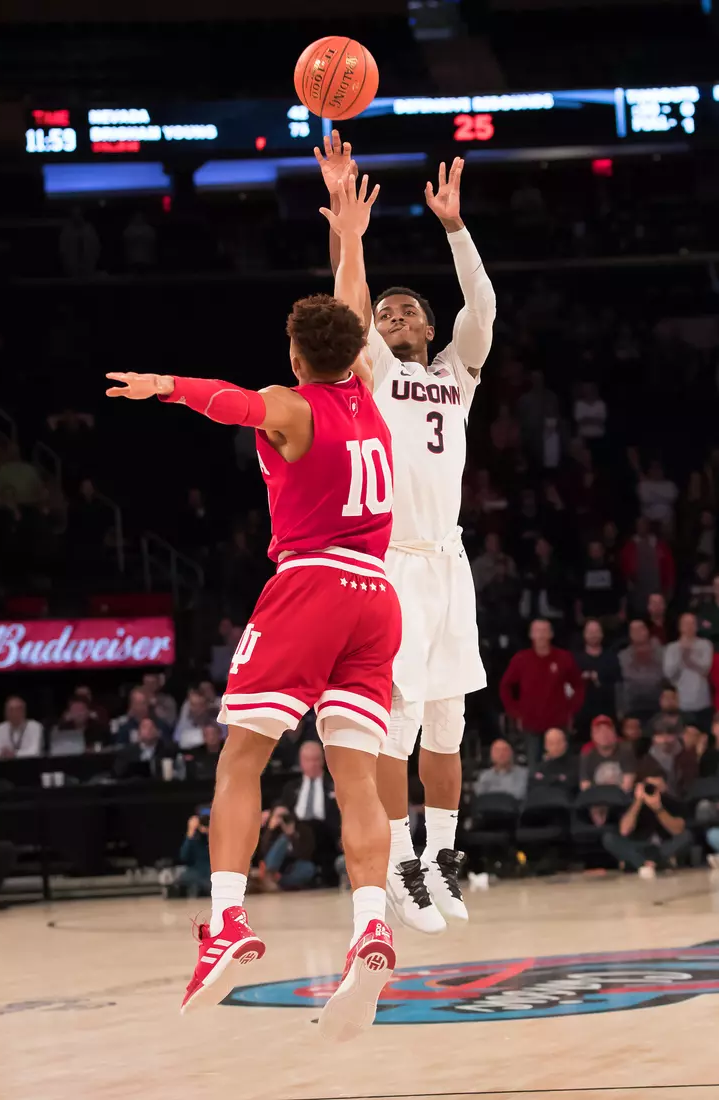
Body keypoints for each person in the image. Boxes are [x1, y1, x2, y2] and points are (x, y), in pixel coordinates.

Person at [106, 172, 400, 1040]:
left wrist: (161, 383)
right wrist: (349, 235)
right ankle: (370, 927)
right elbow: (349, 307)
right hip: (377, 600)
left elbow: (225, 402)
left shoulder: (291, 406)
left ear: (295, 356)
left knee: (240, 759)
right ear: (351, 355)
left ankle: (227, 922)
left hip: (309, 584)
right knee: (357, 778)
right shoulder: (364, 393)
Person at [317, 135, 495, 934]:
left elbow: (481, 309)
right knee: (399, 721)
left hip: (449, 560)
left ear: (426, 326)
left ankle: (442, 858)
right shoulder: (376, 375)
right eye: (384, 313)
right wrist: (348, 240)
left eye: (405, 310)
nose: (392, 316)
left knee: (450, 721)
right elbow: (346, 312)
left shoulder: (455, 374)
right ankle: (394, 861)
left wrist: (454, 229)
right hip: (392, 562)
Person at [499, 619, 585, 770]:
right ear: (531, 635)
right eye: (537, 631)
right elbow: (505, 687)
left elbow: (578, 685)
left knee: (561, 765)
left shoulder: (564, 658)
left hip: (558, 723)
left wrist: (570, 711)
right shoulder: (521, 659)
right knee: (534, 766)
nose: (541, 635)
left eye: (544, 631)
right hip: (531, 724)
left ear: (551, 634)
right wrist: (515, 713)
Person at [602, 772, 692, 879]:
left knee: (687, 835)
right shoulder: (630, 802)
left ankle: (640, 864)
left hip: (662, 847)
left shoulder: (672, 802)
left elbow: (678, 830)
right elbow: (624, 831)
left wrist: (658, 808)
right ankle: (649, 863)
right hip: (640, 846)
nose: (651, 790)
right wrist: (638, 802)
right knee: (608, 838)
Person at [280, 739, 341, 882]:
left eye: (316, 760)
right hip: (296, 838)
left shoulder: (334, 784)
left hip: (326, 839)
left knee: (306, 868)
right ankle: (271, 873)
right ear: (301, 762)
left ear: (323, 760)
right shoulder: (291, 787)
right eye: (308, 760)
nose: (312, 764)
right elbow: (283, 809)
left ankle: (271, 876)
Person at [663, 612, 713, 728]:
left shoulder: (705, 645)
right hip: (682, 704)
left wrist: (688, 658)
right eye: (686, 624)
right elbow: (669, 674)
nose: (690, 626)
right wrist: (681, 655)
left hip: (703, 702)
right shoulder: (671, 648)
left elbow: (705, 670)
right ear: (680, 627)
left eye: (692, 623)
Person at [573, 620, 621, 740]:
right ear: (584, 634)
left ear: (602, 634)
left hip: (606, 711)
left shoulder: (611, 657)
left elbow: (617, 684)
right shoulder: (575, 659)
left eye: (596, 631)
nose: (593, 634)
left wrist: (598, 680)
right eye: (590, 631)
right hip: (581, 715)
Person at [257, 806, 317, 891]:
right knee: (283, 839)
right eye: (279, 816)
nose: (282, 819)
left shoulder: (303, 830)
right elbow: (263, 852)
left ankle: (278, 883)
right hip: (272, 867)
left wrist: (291, 835)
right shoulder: (272, 831)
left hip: (291, 866)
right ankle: (270, 878)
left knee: (308, 868)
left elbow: (306, 854)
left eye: (285, 816)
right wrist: (270, 830)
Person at [618, 620, 665, 722]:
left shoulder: (660, 651)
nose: (638, 633)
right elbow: (626, 677)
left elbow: (663, 674)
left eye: (640, 629)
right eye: (634, 630)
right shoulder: (623, 655)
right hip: (633, 705)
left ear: (647, 630)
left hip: (657, 704)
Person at [574, 539, 626, 630]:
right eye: (592, 550)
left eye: (597, 549)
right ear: (589, 552)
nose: (595, 552)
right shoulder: (583, 571)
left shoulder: (613, 569)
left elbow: (622, 593)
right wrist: (578, 614)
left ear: (603, 551)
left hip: (610, 616)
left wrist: (623, 611)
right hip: (589, 617)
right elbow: (578, 596)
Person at [579, 716, 636, 794]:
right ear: (593, 735)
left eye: (607, 731)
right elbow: (585, 786)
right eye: (598, 731)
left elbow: (627, 785)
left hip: (621, 799)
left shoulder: (626, 750)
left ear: (614, 733)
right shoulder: (588, 754)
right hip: (597, 799)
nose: (603, 735)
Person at [530, 727, 579, 793]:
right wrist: (558, 779)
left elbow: (571, 784)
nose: (555, 747)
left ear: (565, 744)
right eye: (551, 743)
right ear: (545, 746)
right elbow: (534, 784)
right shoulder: (541, 767)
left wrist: (548, 779)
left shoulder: (576, 763)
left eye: (559, 742)